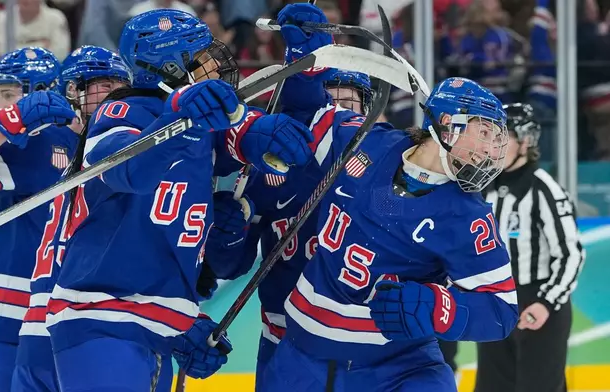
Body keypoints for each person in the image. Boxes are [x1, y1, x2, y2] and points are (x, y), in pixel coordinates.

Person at [250, 4, 519, 391]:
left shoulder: (467, 215)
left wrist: (438, 307)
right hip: (302, 355)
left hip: (399, 367)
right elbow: (308, 109)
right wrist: (306, 55)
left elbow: (501, 309)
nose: (492, 149)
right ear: (446, 124)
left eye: (497, 139)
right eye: (485, 133)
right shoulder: (365, 142)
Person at [44, 9, 314, 391]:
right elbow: (129, 170)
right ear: (171, 65)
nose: (218, 67)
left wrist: (290, 94)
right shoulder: (121, 111)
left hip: (161, 318)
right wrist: (180, 120)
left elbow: (249, 132)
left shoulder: (206, 129)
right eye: (204, 58)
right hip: (102, 313)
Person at [203, 68, 375, 391]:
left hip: (360, 338)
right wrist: (227, 236)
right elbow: (232, 264)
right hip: (284, 335)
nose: (333, 113)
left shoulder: (382, 170)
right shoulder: (265, 168)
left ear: (367, 110)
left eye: (345, 104)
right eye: (327, 99)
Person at [11, 45, 132, 392]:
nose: (117, 95)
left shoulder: (120, 150)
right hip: (46, 322)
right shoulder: (52, 146)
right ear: (73, 91)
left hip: (87, 323)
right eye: (105, 86)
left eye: (120, 85)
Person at [0, 46, 76, 392]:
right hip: (52, 302)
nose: (0, 105)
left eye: (9, 95)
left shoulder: (35, 143)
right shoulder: (70, 139)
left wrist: (4, 130)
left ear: (40, 94)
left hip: (13, 305)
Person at [474, 103, 585, 392]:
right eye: (490, 137)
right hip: (497, 301)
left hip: (538, 300)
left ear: (525, 142)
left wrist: (546, 302)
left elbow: (571, 254)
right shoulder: (483, 187)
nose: (493, 146)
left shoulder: (544, 189)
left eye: (502, 137)